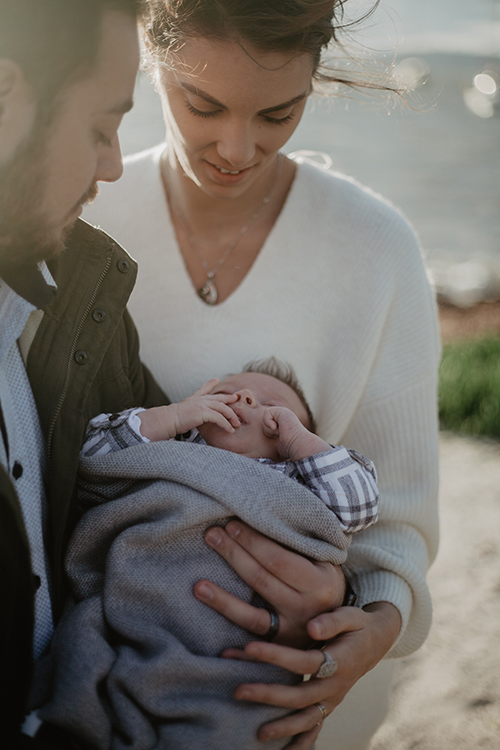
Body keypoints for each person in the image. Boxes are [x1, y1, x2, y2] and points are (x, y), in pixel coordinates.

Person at [82, 0, 441, 748]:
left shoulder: (377, 248)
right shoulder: (85, 214)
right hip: (111, 684)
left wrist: (369, 627)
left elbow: (398, 526)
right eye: (202, 104)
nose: (236, 149)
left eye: (279, 114)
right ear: (148, 50)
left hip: (292, 706)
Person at [0, 2, 349, 747]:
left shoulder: (80, 291)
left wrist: (337, 602)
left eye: (278, 113)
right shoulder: (80, 233)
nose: (234, 146)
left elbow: (123, 486)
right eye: (101, 127)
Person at [31, 361, 378, 749]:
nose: (244, 397)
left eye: (272, 406)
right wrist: (172, 417)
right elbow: (92, 456)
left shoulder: (297, 479)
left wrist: (299, 442)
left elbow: (358, 506)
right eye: (227, 391)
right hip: (128, 611)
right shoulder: (173, 447)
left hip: (235, 653)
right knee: (80, 676)